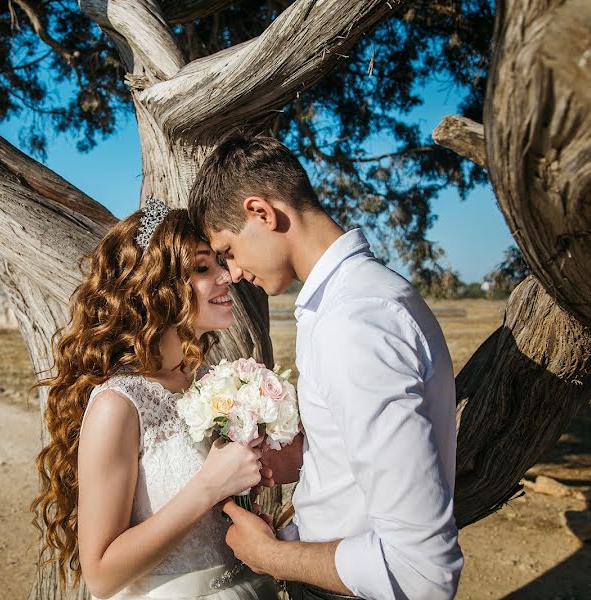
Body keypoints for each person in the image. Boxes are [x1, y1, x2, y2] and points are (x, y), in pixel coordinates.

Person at [188, 135, 463, 600]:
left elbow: (422, 573)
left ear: (262, 213)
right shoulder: (352, 301)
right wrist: (308, 458)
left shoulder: (354, 322)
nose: (232, 274)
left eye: (229, 250)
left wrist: (268, 556)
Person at [31, 201, 278, 600]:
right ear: (156, 288)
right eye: (202, 268)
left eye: (220, 262)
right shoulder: (118, 404)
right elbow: (101, 574)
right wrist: (210, 487)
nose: (227, 276)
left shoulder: (208, 382)